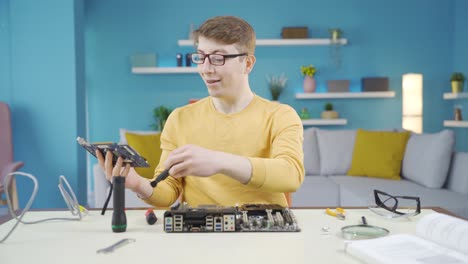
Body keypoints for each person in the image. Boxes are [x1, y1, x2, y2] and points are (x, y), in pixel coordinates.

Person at [97, 15, 304, 208]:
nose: (206, 68)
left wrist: (219, 162)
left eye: (218, 58)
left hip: (265, 237)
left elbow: (291, 175)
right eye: (201, 57)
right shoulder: (180, 119)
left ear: (247, 63)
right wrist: (138, 184)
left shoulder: (280, 116)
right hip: (200, 237)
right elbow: (168, 190)